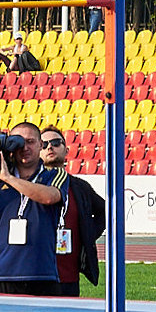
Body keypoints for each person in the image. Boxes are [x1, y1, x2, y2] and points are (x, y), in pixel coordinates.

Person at [0, 122, 67, 295]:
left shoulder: (54, 174)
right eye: (18, 142)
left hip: (41, 274)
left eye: (30, 141)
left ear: (41, 145)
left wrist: (9, 178)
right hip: (2, 273)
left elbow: (49, 197)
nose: (24, 147)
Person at [40, 126, 105, 296]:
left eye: (55, 143)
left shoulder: (79, 187)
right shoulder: (29, 184)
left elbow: (104, 211)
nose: (49, 147)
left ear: (66, 150)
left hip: (68, 277)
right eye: (44, 144)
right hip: (34, 275)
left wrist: (87, 234)